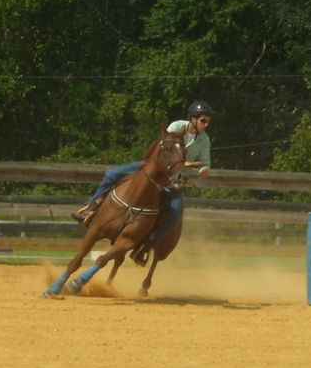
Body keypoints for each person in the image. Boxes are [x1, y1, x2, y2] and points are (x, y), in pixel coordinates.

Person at [71, 100, 213, 261]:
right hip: (152, 167)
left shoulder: (204, 140)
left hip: (172, 179)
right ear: (193, 118)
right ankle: (90, 208)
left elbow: (205, 163)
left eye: (207, 121)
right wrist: (182, 163)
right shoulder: (175, 126)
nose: (206, 124)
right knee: (111, 175)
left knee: (175, 210)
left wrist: (203, 170)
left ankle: (147, 247)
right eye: (203, 120)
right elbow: (162, 148)